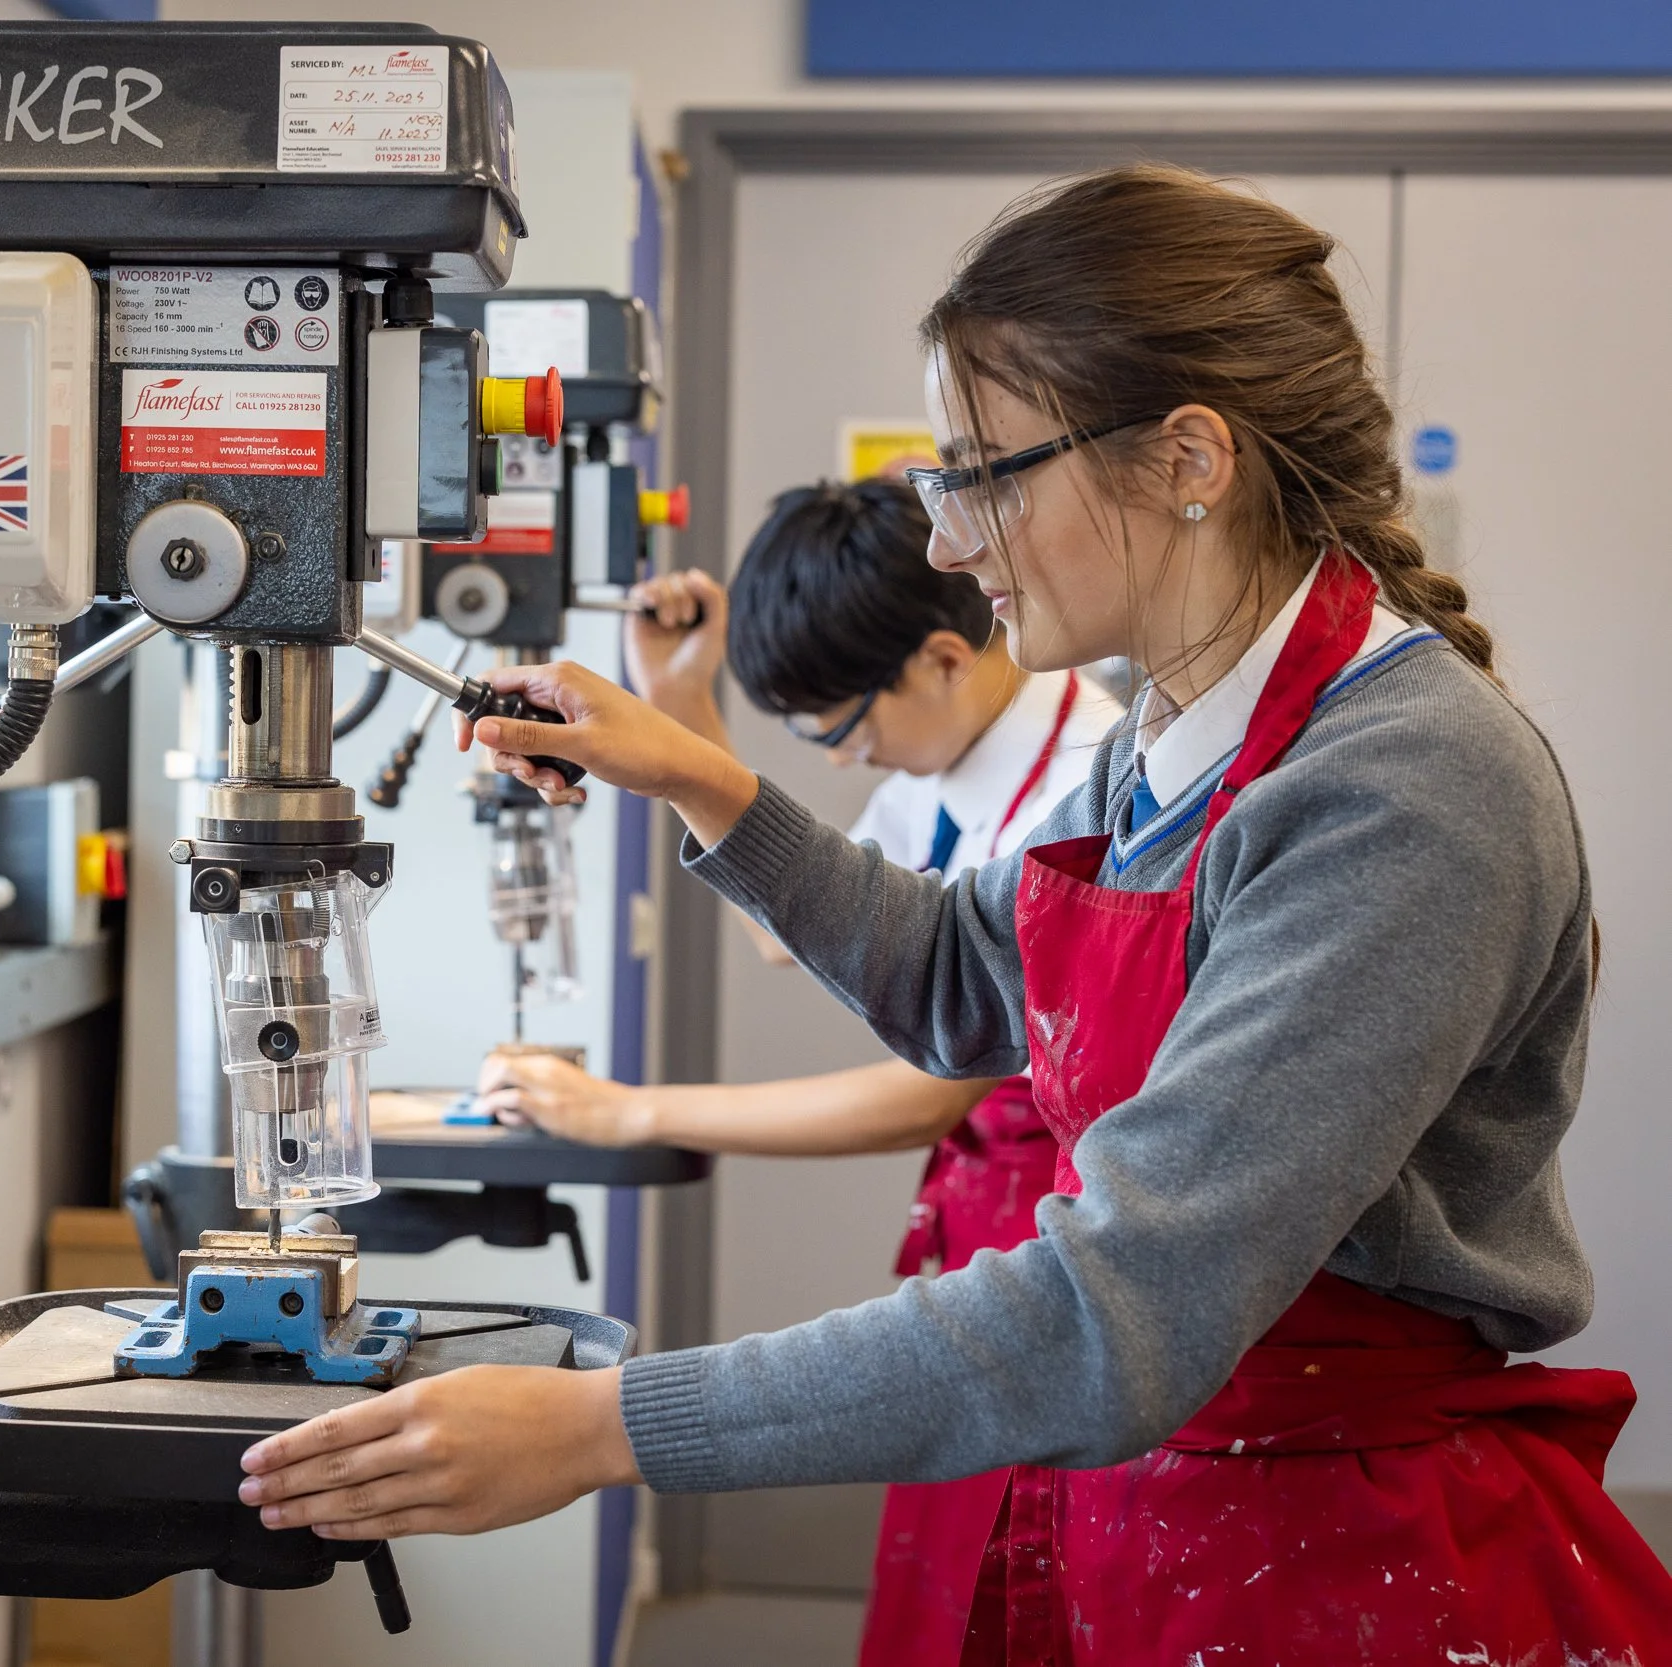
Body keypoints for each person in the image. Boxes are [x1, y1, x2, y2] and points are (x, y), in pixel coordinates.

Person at [236, 165, 1672, 1661]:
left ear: (1190, 457)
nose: (946, 538)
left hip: (1340, 1548)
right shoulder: (1175, 728)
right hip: (1180, 1503)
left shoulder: (1403, 786)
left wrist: (606, 1425)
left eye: (986, 471)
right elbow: (960, 972)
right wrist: (695, 774)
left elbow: (1118, 1309)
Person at [476, 479, 1121, 1662]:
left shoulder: (1078, 784)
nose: (843, 758)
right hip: (980, 1214)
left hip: (1062, 1234)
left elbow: (930, 1088)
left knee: (1027, 1592)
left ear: (938, 655)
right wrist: (678, 704)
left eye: (840, 726)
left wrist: (630, 1110)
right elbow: (792, 919)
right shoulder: (953, 752)